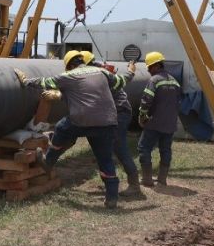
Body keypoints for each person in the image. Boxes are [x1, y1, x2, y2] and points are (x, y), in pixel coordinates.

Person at [14, 50, 135, 209]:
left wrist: (25, 80)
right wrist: (131, 71)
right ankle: (112, 198)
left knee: (61, 128)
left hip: (81, 120)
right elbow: (122, 81)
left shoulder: (68, 76)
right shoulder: (102, 72)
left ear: (70, 65)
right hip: (107, 122)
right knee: (105, 159)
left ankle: (48, 161)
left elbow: (43, 83)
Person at [81, 51, 143, 197]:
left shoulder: (98, 74)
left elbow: (123, 79)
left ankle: (134, 185)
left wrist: (130, 72)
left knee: (119, 146)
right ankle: (109, 180)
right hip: (111, 112)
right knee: (104, 144)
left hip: (119, 112)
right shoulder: (94, 72)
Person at [137, 51, 181, 187]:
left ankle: (147, 179)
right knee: (165, 149)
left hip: (154, 122)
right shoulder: (175, 81)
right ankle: (162, 179)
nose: (149, 70)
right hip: (170, 123)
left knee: (143, 147)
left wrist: (142, 116)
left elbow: (146, 100)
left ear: (156, 65)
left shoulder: (154, 80)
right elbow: (178, 102)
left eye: (149, 67)